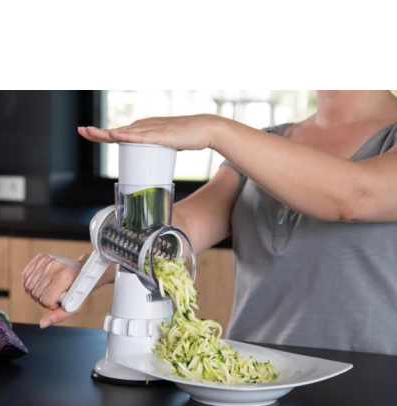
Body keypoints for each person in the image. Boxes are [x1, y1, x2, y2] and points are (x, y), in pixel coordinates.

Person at [23, 90, 397, 355]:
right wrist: (88, 270)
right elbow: (176, 232)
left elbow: (355, 195)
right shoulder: (268, 142)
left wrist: (215, 130)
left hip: (370, 388)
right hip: (252, 381)